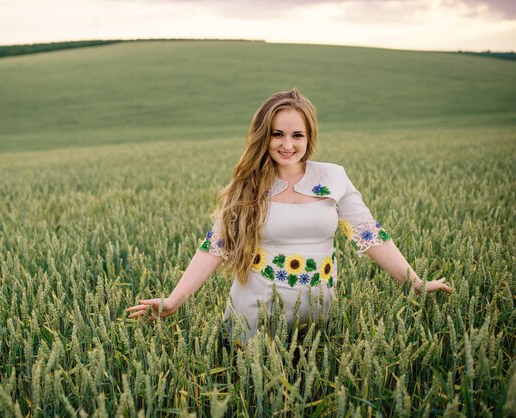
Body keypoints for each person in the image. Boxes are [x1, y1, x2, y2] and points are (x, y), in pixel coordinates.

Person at [126, 88, 452, 345]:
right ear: (263, 136)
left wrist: (415, 283)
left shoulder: (333, 177)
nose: (287, 144)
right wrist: (174, 301)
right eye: (277, 134)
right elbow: (215, 247)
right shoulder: (248, 186)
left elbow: (369, 235)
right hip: (255, 314)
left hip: (318, 313)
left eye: (297, 135)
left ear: (309, 137)